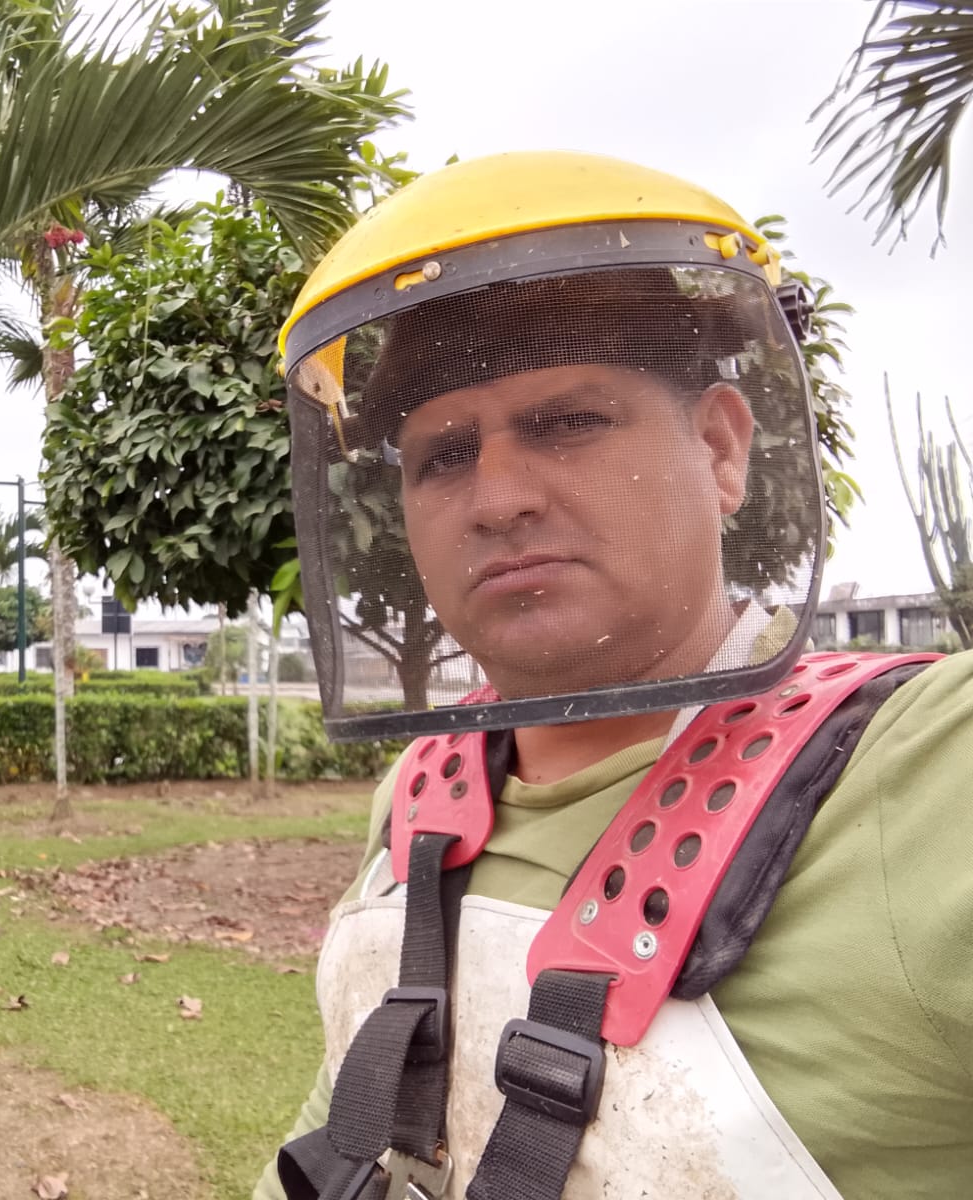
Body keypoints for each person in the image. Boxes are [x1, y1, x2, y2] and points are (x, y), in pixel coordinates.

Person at [256, 152, 972, 1200]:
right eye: (444, 456)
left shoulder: (933, 770)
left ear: (721, 449)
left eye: (566, 423)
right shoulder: (422, 792)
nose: (497, 498)